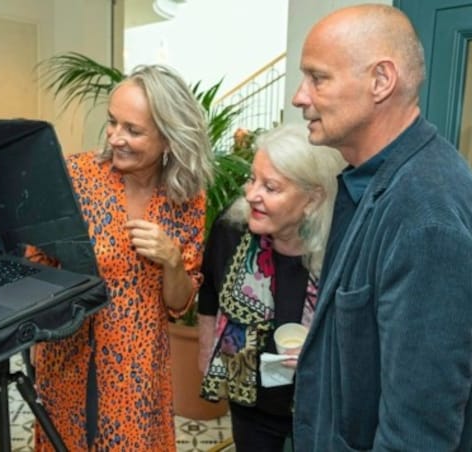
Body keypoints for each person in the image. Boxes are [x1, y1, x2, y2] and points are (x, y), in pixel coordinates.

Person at [289, 4, 472, 450]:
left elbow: (416, 435)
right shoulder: (378, 181)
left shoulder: (427, 217)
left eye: (318, 77)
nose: (299, 97)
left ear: (381, 81)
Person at [32, 64, 213, 451]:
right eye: (112, 123)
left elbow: (179, 305)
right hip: (68, 352)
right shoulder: (75, 176)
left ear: (168, 137)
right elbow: (36, 264)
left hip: (137, 363)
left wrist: (172, 260)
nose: (115, 138)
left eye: (133, 130)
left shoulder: (186, 198)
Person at [197, 124, 344, 451]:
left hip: (319, 409)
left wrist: (320, 353)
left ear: (313, 198)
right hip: (250, 407)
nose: (251, 195)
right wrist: (207, 356)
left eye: (271, 187)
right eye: (253, 179)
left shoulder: (342, 249)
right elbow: (208, 294)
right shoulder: (230, 230)